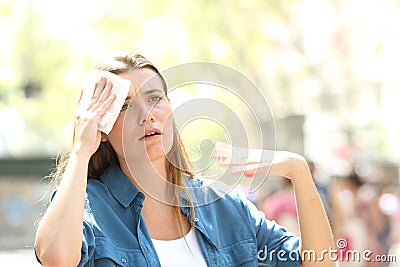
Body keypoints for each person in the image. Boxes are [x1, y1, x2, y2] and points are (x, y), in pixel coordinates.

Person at [34, 51, 335, 267]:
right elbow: (57, 258)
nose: (147, 115)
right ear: (102, 126)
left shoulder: (222, 207)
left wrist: (298, 171)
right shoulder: (90, 208)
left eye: (155, 99)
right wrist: (81, 151)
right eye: (125, 107)